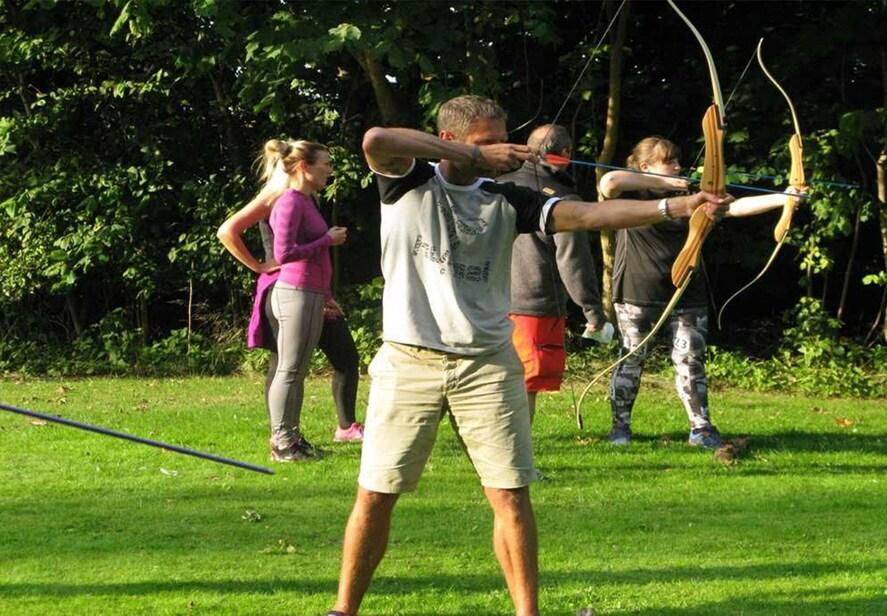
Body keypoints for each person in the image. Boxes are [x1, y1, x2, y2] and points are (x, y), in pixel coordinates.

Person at [326, 95, 732, 616]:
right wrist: (478, 159)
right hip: (410, 360)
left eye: (502, 138)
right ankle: (343, 610)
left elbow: (587, 213)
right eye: (485, 142)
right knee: (377, 492)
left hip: (488, 364)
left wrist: (677, 205)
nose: (501, 150)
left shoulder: (508, 197)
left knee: (510, 494)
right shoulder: (408, 178)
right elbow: (375, 140)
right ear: (449, 141)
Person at [600, 136, 804, 448]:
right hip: (636, 291)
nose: (678, 166)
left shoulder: (696, 197)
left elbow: (732, 208)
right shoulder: (631, 193)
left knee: (690, 360)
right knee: (631, 358)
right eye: (669, 161)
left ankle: (701, 428)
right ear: (645, 167)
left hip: (687, 291)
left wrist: (783, 198)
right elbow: (609, 181)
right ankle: (620, 429)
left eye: (677, 161)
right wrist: (671, 186)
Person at [217, 139, 361, 462]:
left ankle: (293, 438)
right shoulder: (288, 201)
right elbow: (284, 254)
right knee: (289, 367)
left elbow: (316, 258)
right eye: (325, 163)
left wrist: (325, 295)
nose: (330, 170)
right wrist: (326, 239)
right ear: (304, 167)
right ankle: (282, 442)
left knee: (297, 368)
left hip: (311, 293)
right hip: (292, 291)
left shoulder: (305, 201)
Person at [497, 123, 612, 420]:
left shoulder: (498, 184)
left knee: (491, 380)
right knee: (524, 384)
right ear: (566, 153)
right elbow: (573, 260)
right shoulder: (562, 200)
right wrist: (593, 313)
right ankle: (517, 461)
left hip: (485, 301)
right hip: (531, 307)